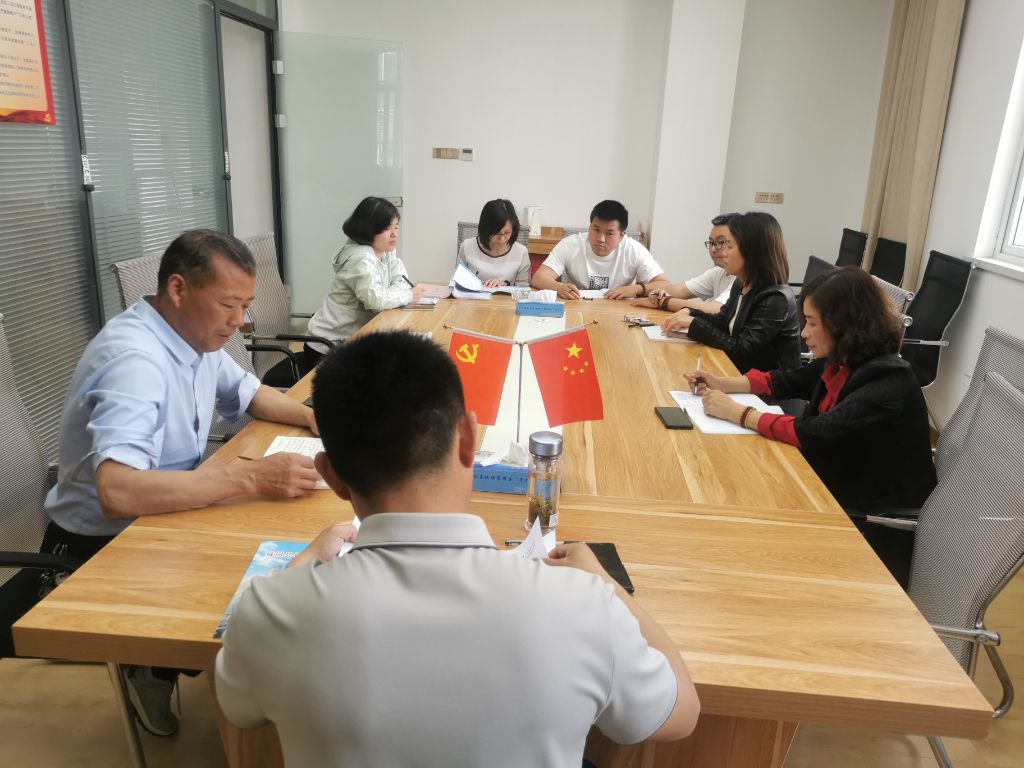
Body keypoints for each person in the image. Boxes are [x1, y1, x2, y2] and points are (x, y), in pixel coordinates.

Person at [216, 331, 700, 767]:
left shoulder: (271, 611)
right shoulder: (583, 606)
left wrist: (304, 563)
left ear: (331, 476)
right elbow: (680, 714)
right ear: (468, 438)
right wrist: (610, 586)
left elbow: (238, 707)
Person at [42, 229, 322, 736]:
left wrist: (312, 418)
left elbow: (249, 393)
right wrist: (248, 475)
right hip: (104, 543)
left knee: (279, 547)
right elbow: (118, 492)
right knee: (252, 581)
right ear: (177, 289)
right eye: (229, 306)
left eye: (246, 307)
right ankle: (152, 668)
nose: (240, 322)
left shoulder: (195, 334)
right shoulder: (136, 361)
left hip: (164, 512)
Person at [686, 266, 936, 586]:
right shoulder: (847, 361)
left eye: (813, 323)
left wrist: (739, 413)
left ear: (844, 324)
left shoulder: (888, 380)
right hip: (833, 485)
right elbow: (788, 380)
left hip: (868, 525)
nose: (804, 333)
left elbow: (815, 433)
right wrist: (723, 383)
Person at [661, 211, 800, 373]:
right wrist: (690, 313)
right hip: (740, 375)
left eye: (730, 246)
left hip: (770, 386)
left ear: (752, 252)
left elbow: (742, 350)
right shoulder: (741, 282)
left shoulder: (776, 298)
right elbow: (723, 321)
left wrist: (693, 323)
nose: (723, 253)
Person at [304, 196, 425, 367]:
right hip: (328, 346)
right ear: (369, 229)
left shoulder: (386, 249)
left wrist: (396, 294)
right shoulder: (360, 257)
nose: (394, 234)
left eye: (396, 227)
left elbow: (401, 280)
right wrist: (408, 295)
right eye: (387, 228)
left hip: (355, 339)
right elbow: (375, 301)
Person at [531, 199, 670, 300]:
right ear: (590, 226)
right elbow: (538, 278)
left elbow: (665, 283)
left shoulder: (634, 249)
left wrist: (634, 289)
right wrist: (558, 287)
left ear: (622, 235)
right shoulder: (570, 244)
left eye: (609, 233)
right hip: (577, 306)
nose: (601, 239)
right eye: (596, 229)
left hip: (619, 311)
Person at [631, 213, 737, 314]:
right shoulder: (718, 272)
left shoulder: (741, 279)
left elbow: (713, 309)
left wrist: (663, 302)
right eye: (711, 243)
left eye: (720, 242)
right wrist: (657, 294)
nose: (713, 249)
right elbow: (682, 290)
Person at [458, 198, 531, 287]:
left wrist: (504, 284)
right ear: (486, 229)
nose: (502, 239)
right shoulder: (467, 247)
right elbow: (457, 283)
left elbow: (523, 289)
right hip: (472, 296)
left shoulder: (521, 252)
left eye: (507, 232)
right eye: (497, 233)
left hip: (506, 296)